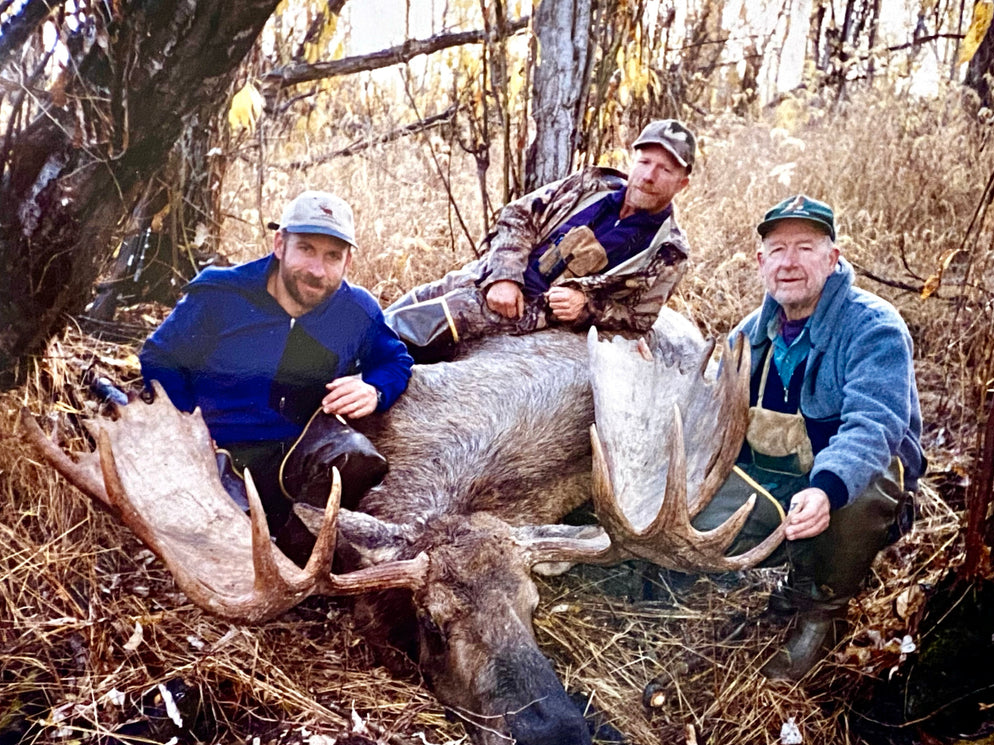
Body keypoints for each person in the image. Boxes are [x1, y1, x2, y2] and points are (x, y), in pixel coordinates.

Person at [691, 194, 925, 681]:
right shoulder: (746, 337)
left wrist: (825, 487)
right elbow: (710, 425)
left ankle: (822, 611)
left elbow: (874, 425)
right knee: (696, 518)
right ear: (761, 263)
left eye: (805, 247)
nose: (790, 262)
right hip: (775, 483)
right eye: (777, 250)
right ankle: (792, 580)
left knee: (864, 484)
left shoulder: (874, 327)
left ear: (832, 258)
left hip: (847, 488)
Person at [140, 190, 414, 532]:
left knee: (356, 459)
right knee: (227, 534)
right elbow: (159, 357)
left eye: (332, 256)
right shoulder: (221, 293)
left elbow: (397, 360)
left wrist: (374, 389)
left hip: (296, 451)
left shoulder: (356, 311)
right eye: (306, 249)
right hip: (218, 449)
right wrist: (186, 424)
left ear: (348, 263)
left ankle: (298, 551)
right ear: (280, 244)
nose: (317, 270)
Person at [385, 119, 696, 359]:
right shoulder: (592, 185)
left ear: (682, 184)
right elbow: (519, 215)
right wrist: (505, 276)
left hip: (529, 312)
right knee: (393, 313)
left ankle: (345, 379)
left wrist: (586, 306)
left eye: (665, 169)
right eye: (644, 162)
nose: (649, 176)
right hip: (485, 277)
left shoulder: (668, 251)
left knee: (411, 331)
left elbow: (638, 318)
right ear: (634, 160)